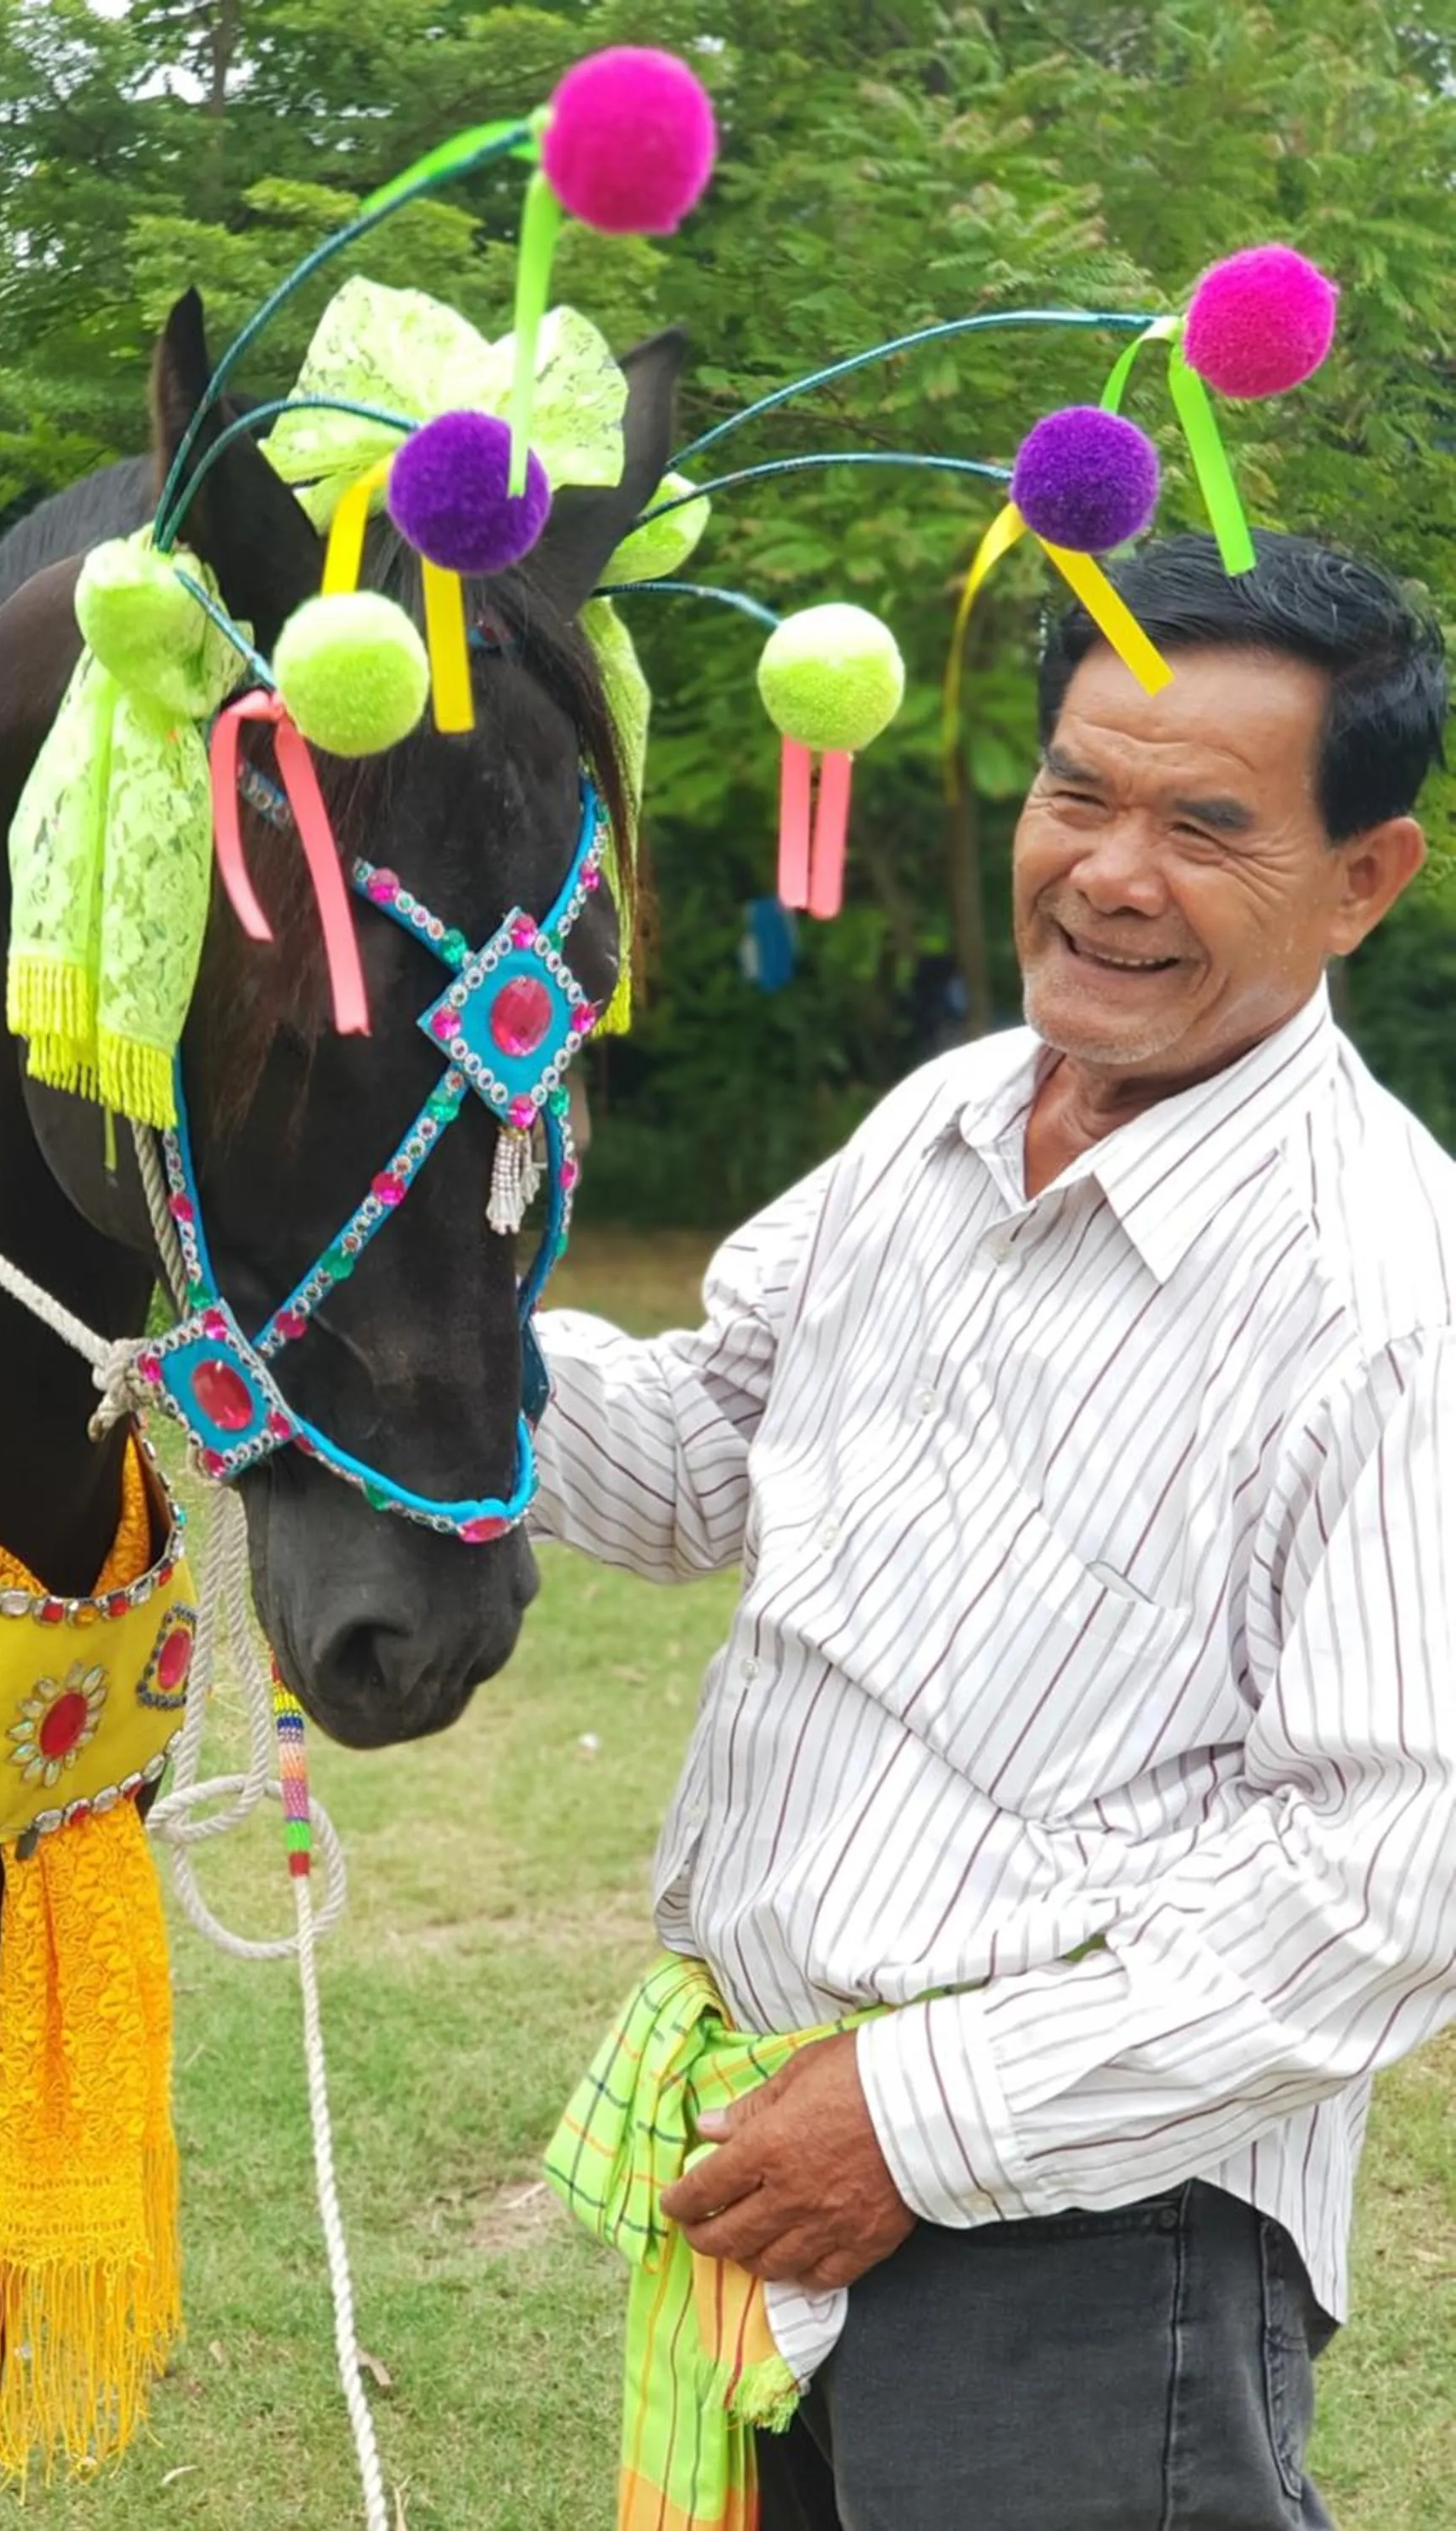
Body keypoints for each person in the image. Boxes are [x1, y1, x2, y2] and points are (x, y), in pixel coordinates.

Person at [533, 531, 1454, 2529]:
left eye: (1211, 824)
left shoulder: (1382, 1287)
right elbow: (703, 1455)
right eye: (1078, 793)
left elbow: (1392, 1878)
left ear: (1363, 878)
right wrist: (401, 1354)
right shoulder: (940, 1125)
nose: (1114, 872)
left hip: (1089, 2243)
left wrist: (917, 2117)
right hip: (780, 2141)